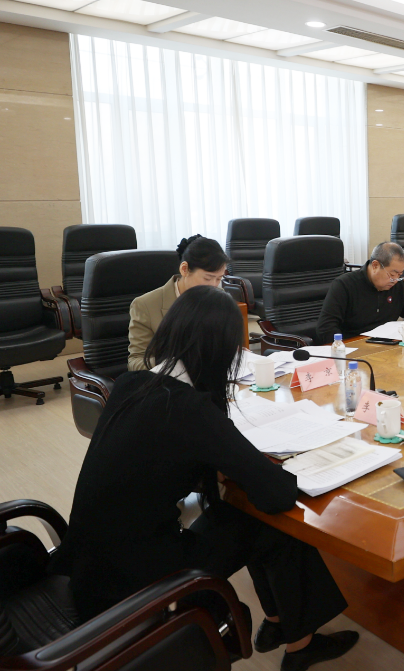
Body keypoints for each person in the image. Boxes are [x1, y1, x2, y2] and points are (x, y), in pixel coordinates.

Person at [55, 287, 359, 671]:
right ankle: (301, 645)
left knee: (246, 518)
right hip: (134, 578)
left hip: (89, 563)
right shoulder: (190, 409)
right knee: (274, 523)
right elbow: (276, 493)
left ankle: (278, 624)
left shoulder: (132, 383)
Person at [128, 234, 228, 371]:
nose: (213, 286)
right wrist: (174, 361)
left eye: (219, 279)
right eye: (207, 278)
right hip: (168, 379)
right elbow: (135, 363)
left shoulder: (219, 297)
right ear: (184, 269)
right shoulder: (145, 305)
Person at [316, 241, 404, 342]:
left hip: (386, 346)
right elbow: (326, 328)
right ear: (375, 265)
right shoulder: (345, 285)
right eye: (392, 274)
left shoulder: (396, 284)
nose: (395, 280)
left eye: (400, 274)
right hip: (355, 347)